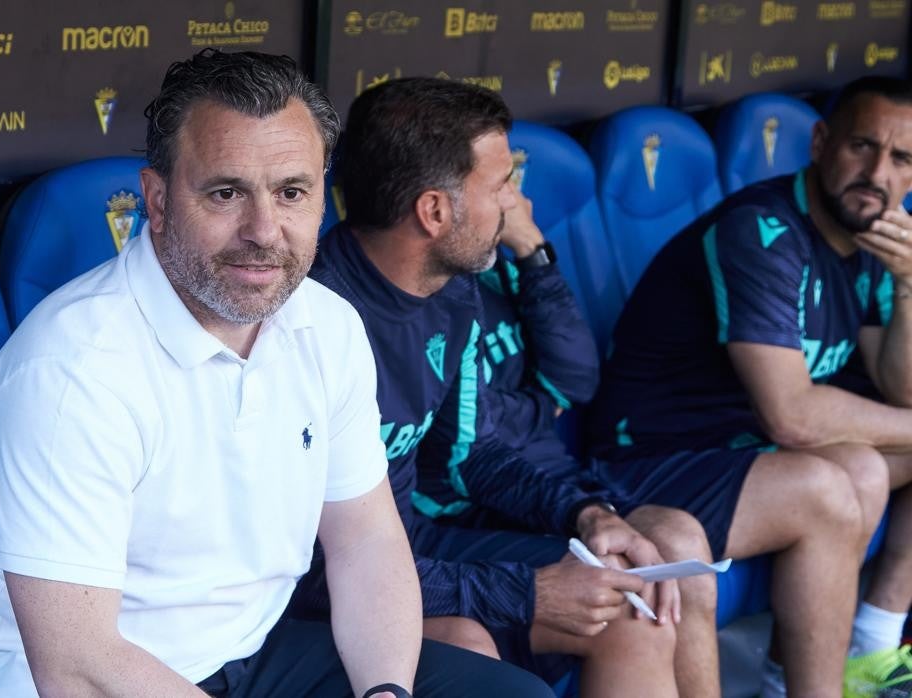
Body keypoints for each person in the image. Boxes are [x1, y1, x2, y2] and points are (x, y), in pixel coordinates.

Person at [0, 49, 552, 697]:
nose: (263, 230)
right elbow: (78, 663)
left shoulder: (327, 325)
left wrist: (386, 694)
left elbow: (365, 543)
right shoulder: (72, 370)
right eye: (226, 193)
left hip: (253, 651)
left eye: (291, 193)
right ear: (159, 199)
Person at [301, 75, 692, 697]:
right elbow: (314, 571)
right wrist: (527, 592)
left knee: (631, 605)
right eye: (500, 184)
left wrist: (586, 515)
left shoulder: (452, 292)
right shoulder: (308, 325)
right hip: (331, 587)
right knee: (467, 647)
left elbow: (472, 452)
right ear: (435, 212)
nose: (513, 202)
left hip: (416, 552)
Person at [586, 76, 912, 697]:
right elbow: (794, 417)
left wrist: (908, 285)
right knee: (829, 487)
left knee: (866, 470)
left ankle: (869, 648)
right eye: (862, 147)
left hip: (738, 448)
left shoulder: (874, 235)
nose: (878, 172)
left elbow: (902, 391)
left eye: (901, 159)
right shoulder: (761, 231)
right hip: (651, 454)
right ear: (820, 143)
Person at [413, 195, 721, 697]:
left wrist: (532, 251)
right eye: (499, 185)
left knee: (680, 541)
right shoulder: (432, 292)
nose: (522, 199)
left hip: (551, 481)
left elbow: (575, 378)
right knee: (633, 593)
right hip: (478, 503)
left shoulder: (500, 274)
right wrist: (538, 406)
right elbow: (470, 443)